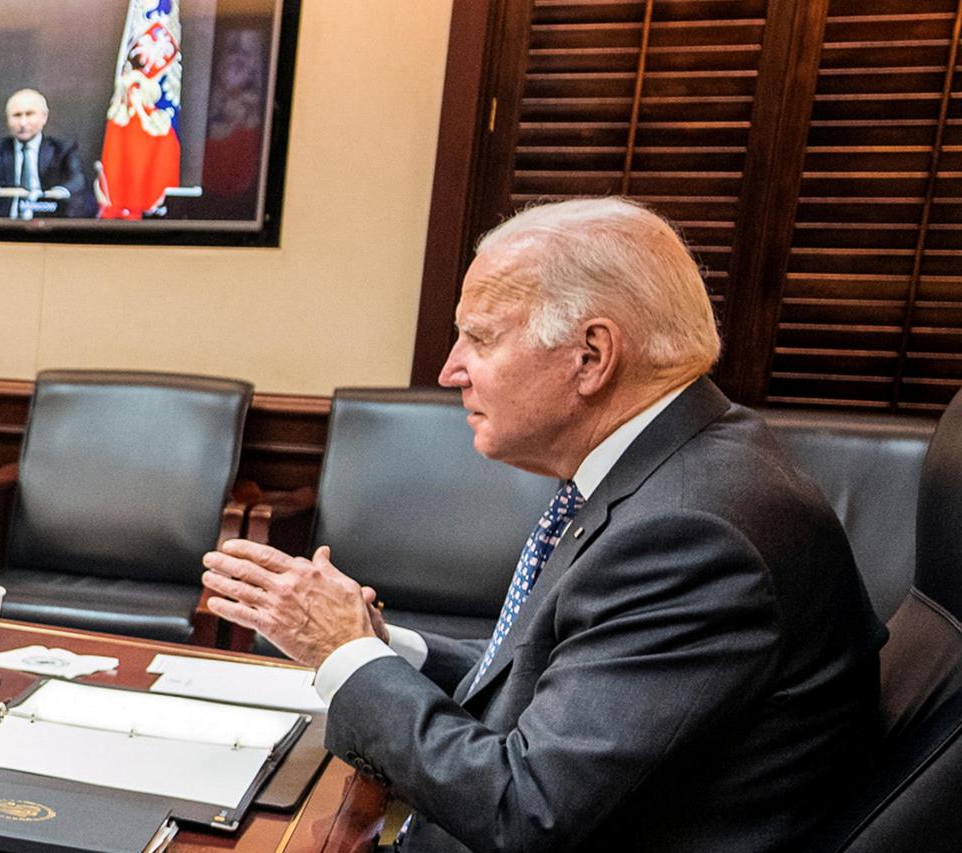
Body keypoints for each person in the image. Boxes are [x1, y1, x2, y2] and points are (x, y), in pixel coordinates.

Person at [201, 197, 887, 852]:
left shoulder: (692, 531)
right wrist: (380, 645)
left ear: (591, 355)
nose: (449, 371)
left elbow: (525, 812)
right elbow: (557, 685)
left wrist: (348, 654)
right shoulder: (676, 469)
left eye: (480, 337)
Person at [0, 88, 93, 218]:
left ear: (44, 117)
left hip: (51, 224)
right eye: (16, 115)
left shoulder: (63, 149)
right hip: (5, 226)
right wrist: (3, 193)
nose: (23, 122)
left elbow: (77, 182)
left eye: (30, 114)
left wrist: (48, 195)